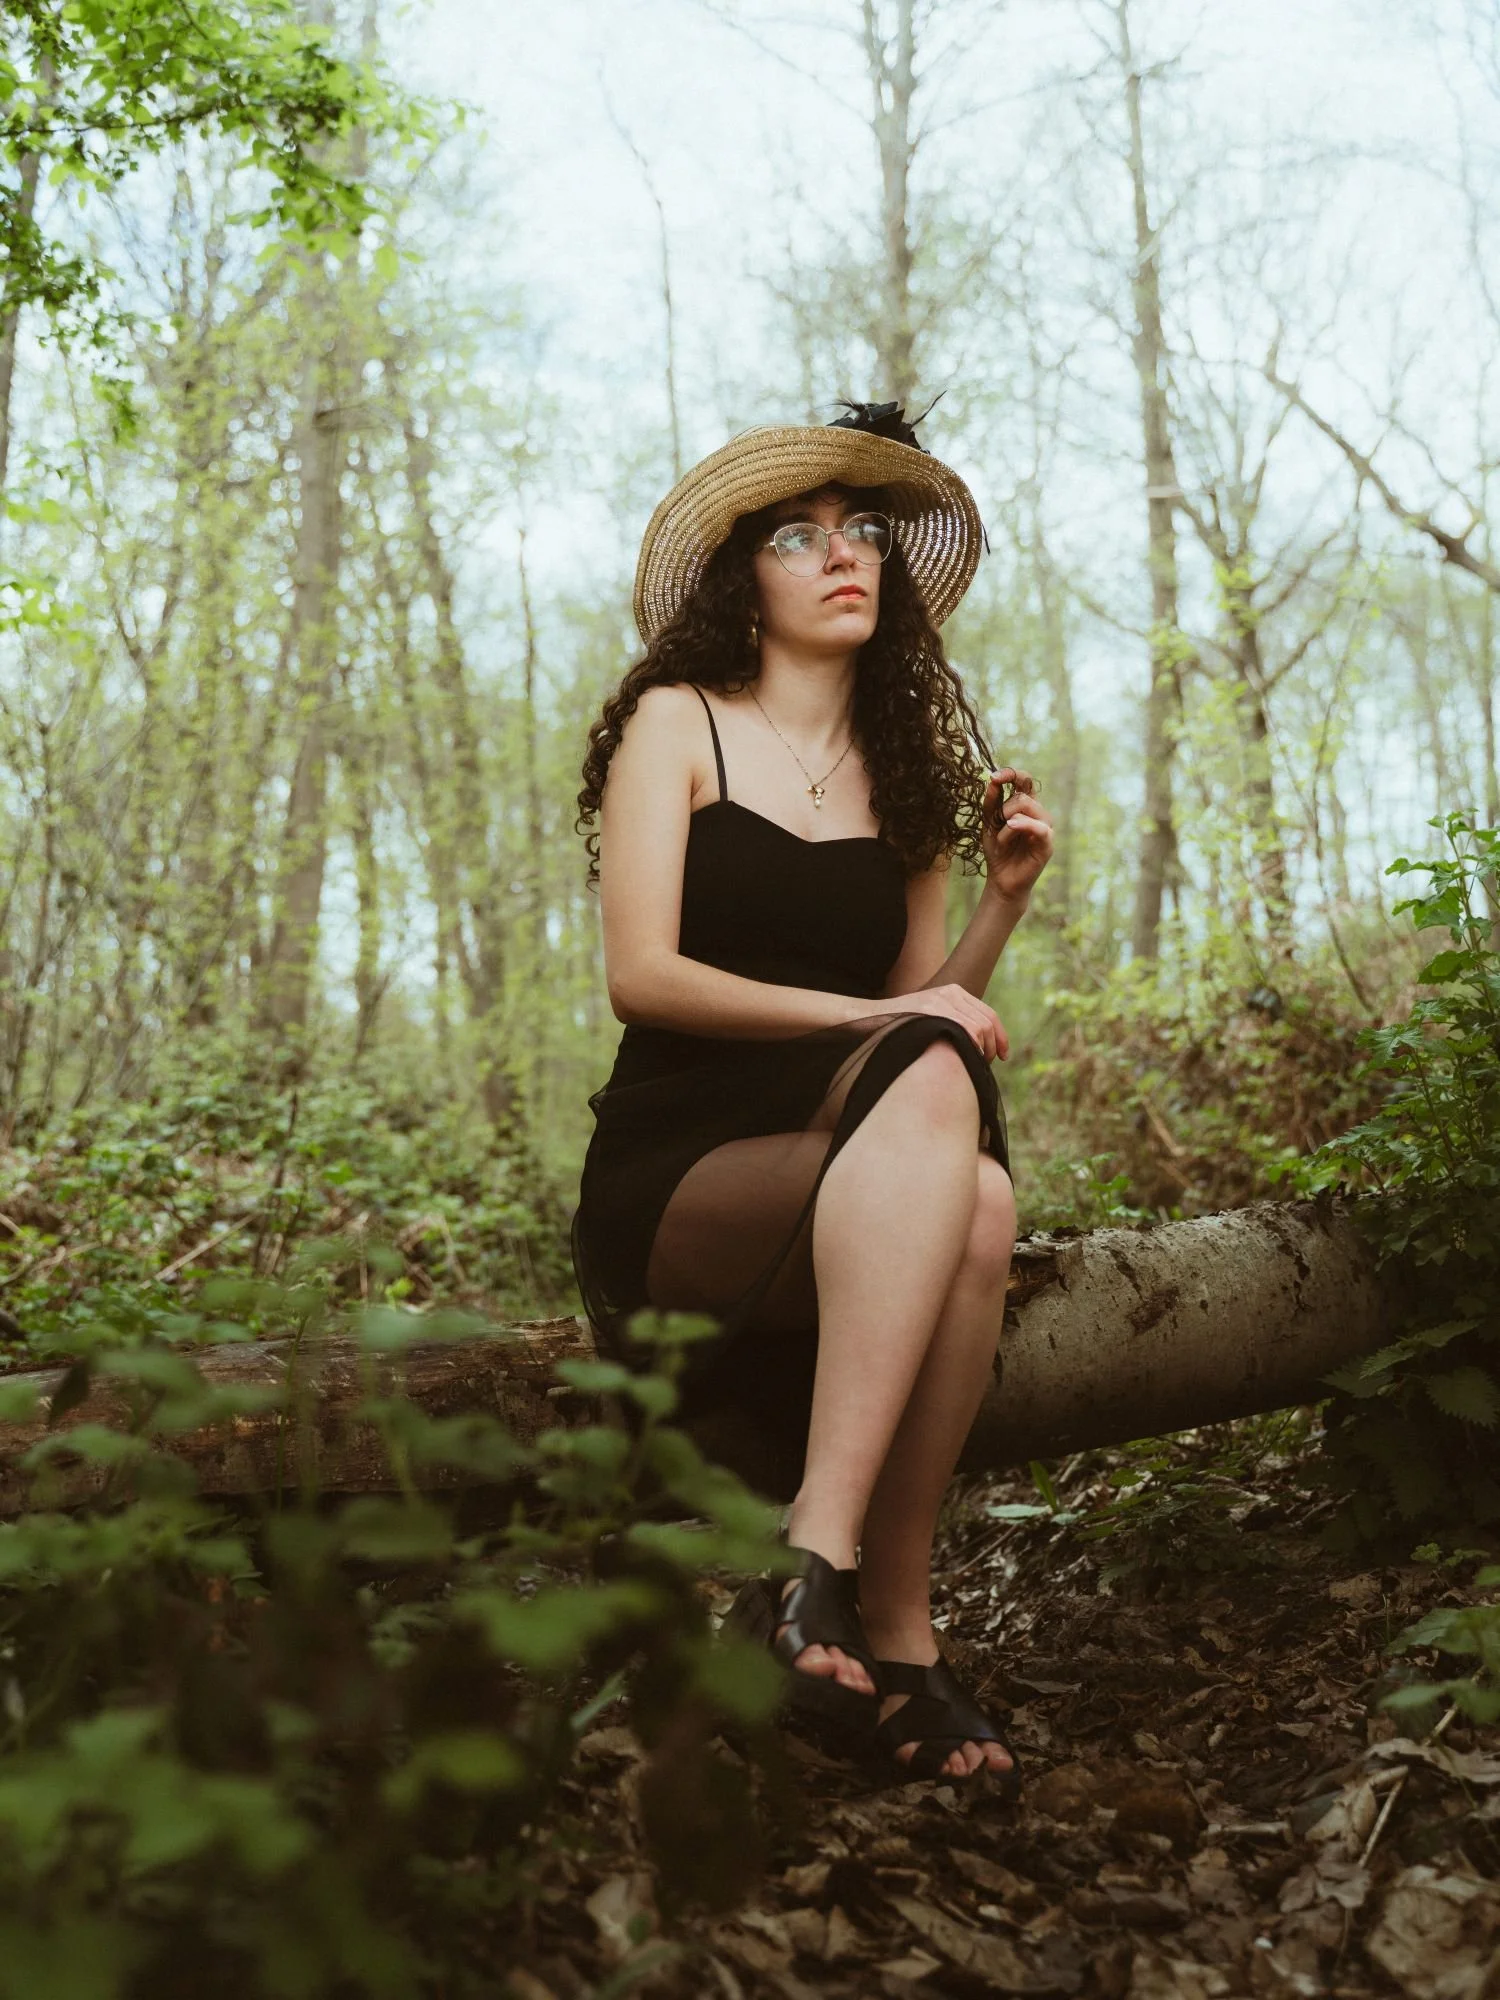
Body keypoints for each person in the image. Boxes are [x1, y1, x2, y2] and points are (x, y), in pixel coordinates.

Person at [572, 401, 1054, 1784]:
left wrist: (997, 910)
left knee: (978, 1196)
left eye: (862, 533)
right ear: (746, 577)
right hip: (687, 1170)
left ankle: (887, 1636)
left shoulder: (911, 779)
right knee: (938, 1096)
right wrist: (896, 1013)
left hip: (854, 1166)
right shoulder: (678, 724)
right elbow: (642, 977)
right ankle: (815, 1567)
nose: (843, 555)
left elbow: (923, 1021)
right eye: (799, 535)